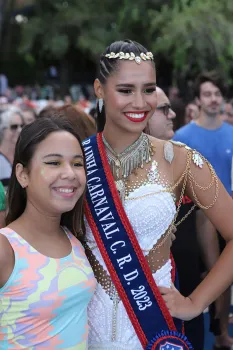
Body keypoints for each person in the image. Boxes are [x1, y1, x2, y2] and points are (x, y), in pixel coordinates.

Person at [82, 40, 233, 350]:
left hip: (155, 328)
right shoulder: (74, 160)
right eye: (125, 90)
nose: (140, 102)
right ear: (99, 89)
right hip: (80, 329)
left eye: (148, 89)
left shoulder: (181, 160)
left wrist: (194, 303)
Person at [0, 116, 96, 348]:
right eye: (53, 163)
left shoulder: (74, 238)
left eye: (77, 163)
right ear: (23, 174)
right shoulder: (5, 249)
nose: (70, 174)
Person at [173, 71, 233, 349]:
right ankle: (215, 330)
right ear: (198, 99)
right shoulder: (183, 136)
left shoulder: (232, 133)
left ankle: (220, 332)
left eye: (217, 94)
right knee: (215, 272)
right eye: (207, 94)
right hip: (198, 217)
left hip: (229, 215)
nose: (213, 99)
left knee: (226, 277)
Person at [145, 86, 205, 348]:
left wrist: (197, 301)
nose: (172, 115)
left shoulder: (186, 161)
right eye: (163, 109)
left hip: (186, 296)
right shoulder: (112, 174)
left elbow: (210, 227)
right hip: (138, 302)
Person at [0, 106, 25, 188]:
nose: (19, 130)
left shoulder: (25, 155)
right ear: (2, 129)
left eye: (22, 126)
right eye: (14, 127)